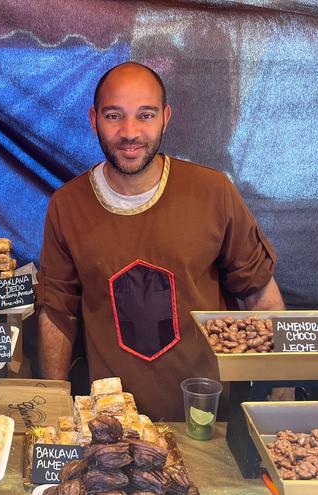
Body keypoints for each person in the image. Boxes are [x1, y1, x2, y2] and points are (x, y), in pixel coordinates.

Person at [37, 62, 285, 420]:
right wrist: (55, 408)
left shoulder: (212, 192)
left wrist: (279, 396)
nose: (130, 132)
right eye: (113, 116)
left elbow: (259, 294)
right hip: (110, 424)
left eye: (146, 115)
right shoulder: (68, 205)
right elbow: (57, 312)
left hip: (207, 416)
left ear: (166, 118)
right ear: (93, 119)